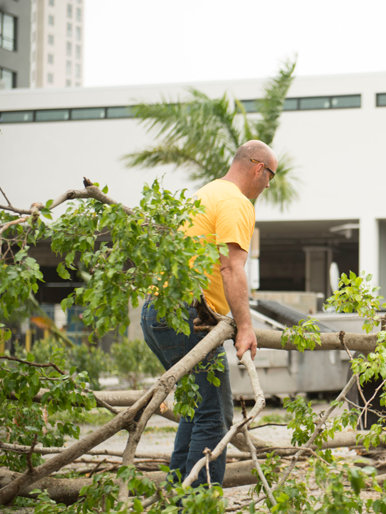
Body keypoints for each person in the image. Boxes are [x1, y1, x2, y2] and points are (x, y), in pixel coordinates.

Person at [141, 140, 277, 486]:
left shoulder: (205, 194)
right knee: (215, 416)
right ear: (258, 168)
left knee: (197, 410)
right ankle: (199, 502)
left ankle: (178, 498)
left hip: (157, 312)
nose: (268, 185)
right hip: (188, 318)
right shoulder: (236, 202)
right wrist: (245, 327)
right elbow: (231, 267)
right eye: (271, 176)